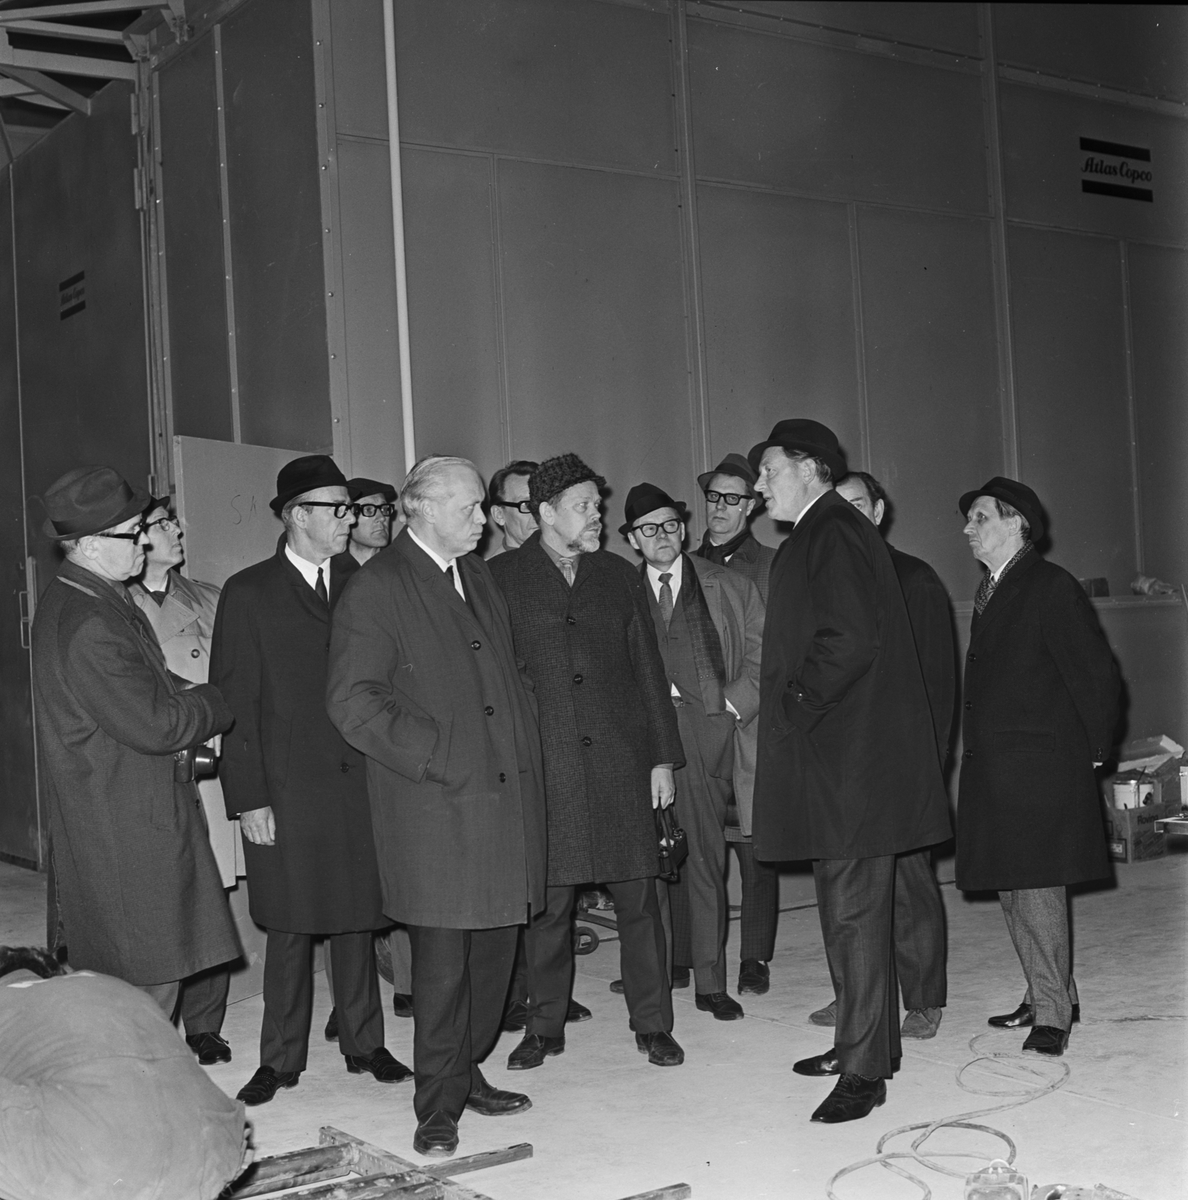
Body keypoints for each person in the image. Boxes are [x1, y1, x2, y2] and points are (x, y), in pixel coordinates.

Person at [327, 454, 547, 1159]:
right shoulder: (377, 587)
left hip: (502, 801)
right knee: (444, 971)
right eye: (469, 507)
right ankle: (437, 1106)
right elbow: (353, 700)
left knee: (494, 960)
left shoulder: (475, 575)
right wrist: (441, 755)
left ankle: (467, 1070)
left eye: (482, 506)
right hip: (437, 808)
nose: (485, 520)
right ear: (419, 508)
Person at [750, 420, 951, 1123]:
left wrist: (797, 705)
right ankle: (862, 1045)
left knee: (855, 916)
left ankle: (865, 1072)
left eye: (769, 469)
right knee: (847, 915)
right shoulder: (823, 530)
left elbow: (850, 638)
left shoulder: (831, 529)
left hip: (852, 766)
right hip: (844, 762)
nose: (760, 484)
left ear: (809, 467)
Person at [211, 455, 404, 1108]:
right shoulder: (249, 592)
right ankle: (280, 1058)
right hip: (287, 790)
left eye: (352, 508)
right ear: (297, 515)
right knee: (291, 926)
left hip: (363, 783)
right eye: (338, 509)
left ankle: (365, 1044)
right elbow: (234, 703)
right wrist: (249, 799)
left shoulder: (367, 583)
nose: (350, 519)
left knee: (358, 918)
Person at [489, 453, 687, 1070]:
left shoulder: (619, 575)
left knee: (640, 902)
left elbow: (648, 670)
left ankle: (653, 1024)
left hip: (622, 765)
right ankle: (544, 1027)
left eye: (597, 506)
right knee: (548, 909)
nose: (597, 516)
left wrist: (661, 759)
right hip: (546, 768)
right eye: (584, 507)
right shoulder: (499, 578)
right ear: (546, 513)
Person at [31, 466, 238, 1019]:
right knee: (147, 978)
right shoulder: (90, 621)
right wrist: (218, 700)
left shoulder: (91, 596)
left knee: (145, 967)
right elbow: (157, 725)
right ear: (90, 545)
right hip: (126, 821)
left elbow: (148, 681)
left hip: (124, 810)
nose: (144, 542)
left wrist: (188, 691)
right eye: (132, 534)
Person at [957, 477, 1119, 1057]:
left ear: (1016, 523)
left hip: (1040, 764)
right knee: (1013, 885)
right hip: (1000, 764)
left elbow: (1095, 674)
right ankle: (1047, 991)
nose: (968, 528)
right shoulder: (994, 587)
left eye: (980, 517)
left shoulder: (1050, 585)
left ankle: (1053, 1016)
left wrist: (1093, 749)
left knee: (1037, 886)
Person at [807, 471, 955, 1040]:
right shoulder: (825, 578)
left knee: (909, 882)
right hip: (846, 763)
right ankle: (856, 996)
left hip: (902, 763)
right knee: (845, 886)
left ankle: (923, 999)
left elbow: (938, 682)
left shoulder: (915, 579)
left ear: (877, 511)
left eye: (856, 505)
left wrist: (928, 767)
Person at [622, 483, 764, 1021]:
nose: (661, 536)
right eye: (648, 529)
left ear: (682, 529)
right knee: (647, 862)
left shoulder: (728, 585)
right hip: (640, 737)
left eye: (669, 525)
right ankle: (654, 977)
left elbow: (764, 653)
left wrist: (730, 705)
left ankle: (710, 982)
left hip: (707, 732)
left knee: (705, 858)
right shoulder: (618, 590)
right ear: (633, 539)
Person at [128, 496, 241, 1066]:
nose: (177, 530)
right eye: (163, 523)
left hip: (207, 763)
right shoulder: (113, 604)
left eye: (175, 521)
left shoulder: (210, 599)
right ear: (136, 537)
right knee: (156, 898)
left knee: (209, 894)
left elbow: (235, 678)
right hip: (150, 764)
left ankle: (204, 1024)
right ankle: (151, 1026)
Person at [694, 453, 780, 996]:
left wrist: (734, 704)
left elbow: (775, 653)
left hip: (749, 726)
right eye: (713, 497)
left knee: (754, 850)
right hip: (695, 726)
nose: (720, 507)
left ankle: (754, 958)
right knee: (694, 845)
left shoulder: (770, 566)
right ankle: (689, 954)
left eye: (732, 498)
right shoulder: (680, 561)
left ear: (751, 506)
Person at [486, 459, 539, 556]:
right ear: (499, 515)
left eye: (544, 502)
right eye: (527, 505)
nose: (540, 513)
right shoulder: (492, 566)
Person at [344, 477, 398, 566]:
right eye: (368, 510)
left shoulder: (401, 565)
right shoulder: (329, 568)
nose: (382, 518)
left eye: (384, 509)